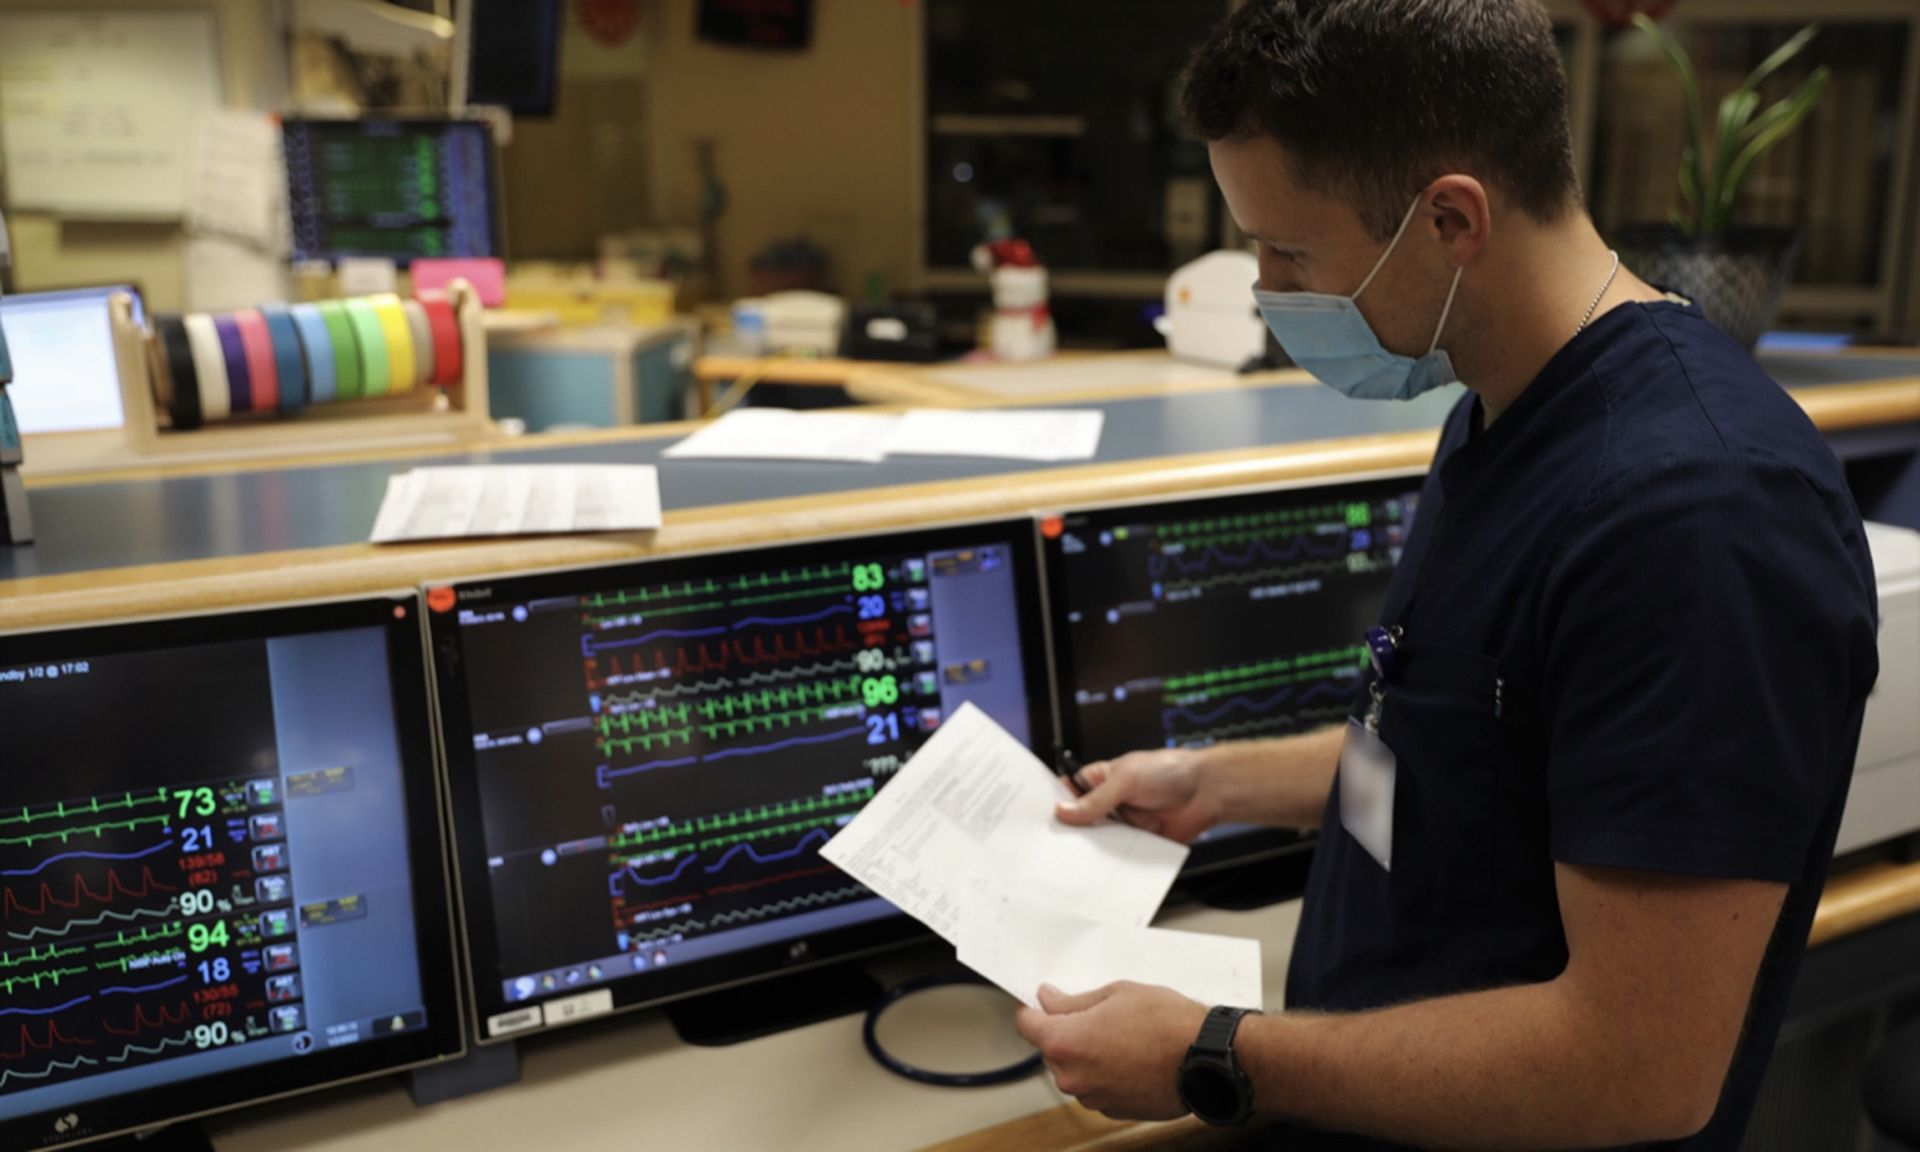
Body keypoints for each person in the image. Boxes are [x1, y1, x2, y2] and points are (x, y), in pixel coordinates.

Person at [1011, 2, 1882, 1148]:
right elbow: (1467, 758)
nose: (1271, 297)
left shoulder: (1699, 516)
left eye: (1291, 252)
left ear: (1451, 218)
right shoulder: (1502, 400)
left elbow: (1640, 1066)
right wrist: (1224, 784)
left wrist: (1212, 1052)